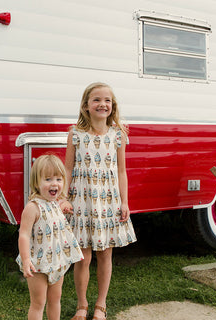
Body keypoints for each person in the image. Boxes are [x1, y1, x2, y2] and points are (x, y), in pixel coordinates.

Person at [63, 82, 137, 320]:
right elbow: (67, 168)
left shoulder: (118, 135)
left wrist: (124, 202)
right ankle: (82, 305)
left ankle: (101, 306)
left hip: (109, 202)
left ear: (112, 105)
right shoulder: (75, 134)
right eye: (96, 100)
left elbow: (122, 172)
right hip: (82, 202)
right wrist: (64, 197)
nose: (102, 104)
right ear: (86, 106)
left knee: (105, 254)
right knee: (82, 257)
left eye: (107, 100)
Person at [16, 154, 84, 320]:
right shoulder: (33, 207)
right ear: (36, 183)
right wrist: (26, 260)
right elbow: (23, 235)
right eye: (48, 179)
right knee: (38, 303)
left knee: (55, 300)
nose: (54, 183)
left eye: (59, 179)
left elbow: (58, 211)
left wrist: (64, 206)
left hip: (57, 261)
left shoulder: (54, 203)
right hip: (37, 264)